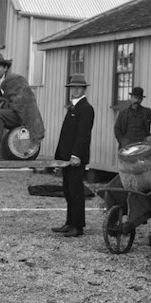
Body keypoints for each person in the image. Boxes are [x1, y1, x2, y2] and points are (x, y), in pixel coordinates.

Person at [51, 74, 95, 238]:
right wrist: (58, 158)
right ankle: (69, 223)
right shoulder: (72, 108)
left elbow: (83, 135)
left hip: (76, 159)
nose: (74, 90)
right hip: (65, 158)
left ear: (84, 89)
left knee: (76, 192)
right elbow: (64, 136)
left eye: (78, 87)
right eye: (72, 88)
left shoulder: (86, 108)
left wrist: (76, 155)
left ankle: (78, 226)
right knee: (68, 191)